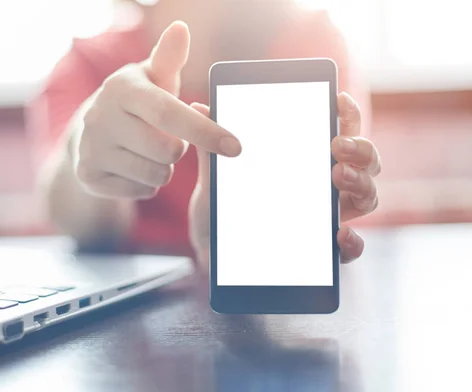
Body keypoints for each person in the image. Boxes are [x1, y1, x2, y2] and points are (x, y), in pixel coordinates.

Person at [28, 0, 381, 268]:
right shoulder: (88, 61)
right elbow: (73, 215)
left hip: (278, 290)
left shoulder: (311, 41)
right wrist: (83, 147)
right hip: (137, 310)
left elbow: (328, 193)